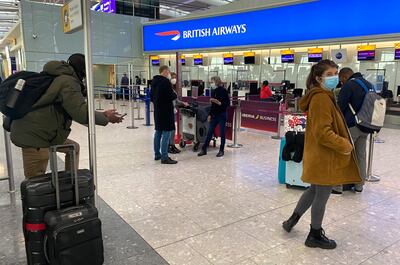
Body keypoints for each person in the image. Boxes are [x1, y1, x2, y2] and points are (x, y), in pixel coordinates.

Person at [282, 60, 361, 249]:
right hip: (324, 156)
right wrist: (345, 144)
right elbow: (323, 132)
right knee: (322, 193)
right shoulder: (321, 99)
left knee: (314, 189)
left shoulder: (323, 95)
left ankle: (292, 219)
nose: (335, 77)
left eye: (336, 72)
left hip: (319, 154)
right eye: (330, 74)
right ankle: (314, 234)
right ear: (318, 78)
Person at [10, 54, 123, 178]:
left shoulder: (57, 76)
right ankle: (50, 190)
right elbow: (80, 113)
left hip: (44, 132)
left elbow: (74, 109)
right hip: (34, 135)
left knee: (73, 148)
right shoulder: (68, 81)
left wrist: (102, 115)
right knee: (34, 181)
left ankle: (70, 182)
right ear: (82, 70)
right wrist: (107, 118)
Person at [332, 67, 370, 194]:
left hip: (352, 126)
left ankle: (337, 187)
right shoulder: (368, 84)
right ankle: (359, 186)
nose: (341, 82)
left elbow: (340, 107)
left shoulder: (349, 85)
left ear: (344, 77)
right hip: (366, 126)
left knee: (343, 153)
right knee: (361, 155)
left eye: (340, 79)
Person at [151, 65, 178, 164]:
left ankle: (157, 154)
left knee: (158, 132)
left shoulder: (154, 81)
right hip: (166, 112)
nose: (169, 74)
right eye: (169, 72)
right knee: (166, 133)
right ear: (165, 71)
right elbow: (171, 96)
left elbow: (152, 97)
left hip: (157, 111)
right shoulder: (165, 82)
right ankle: (165, 157)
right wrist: (175, 94)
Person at [198, 76, 230, 158]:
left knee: (222, 132)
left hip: (222, 115)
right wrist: (210, 114)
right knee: (209, 132)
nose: (211, 84)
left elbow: (227, 104)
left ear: (216, 82)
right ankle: (204, 149)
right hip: (214, 115)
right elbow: (212, 105)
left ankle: (221, 150)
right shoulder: (213, 91)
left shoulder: (223, 91)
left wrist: (219, 103)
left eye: (212, 82)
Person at [169, 73, 188, 154]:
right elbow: (174, 101)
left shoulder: (172, 88)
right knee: (171, 130)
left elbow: (175, 100)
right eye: (173, 77)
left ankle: (172, 145)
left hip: (172, 110)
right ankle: (170, 146)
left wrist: (183, 103)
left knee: (173, 130)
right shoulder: (168, 88)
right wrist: (182, 103)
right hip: (169, 111)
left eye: (175, 77)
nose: (174, 79)